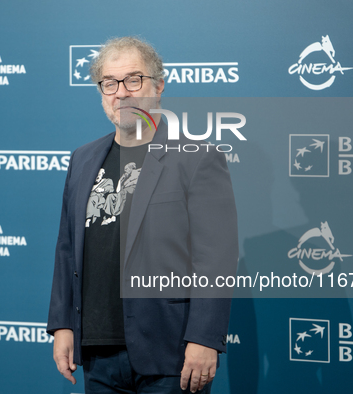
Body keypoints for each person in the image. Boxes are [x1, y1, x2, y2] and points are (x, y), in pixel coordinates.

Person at [47, 36, 238, 394]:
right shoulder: (83, 159)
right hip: (98, 354)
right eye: (110, 83)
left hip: (171, 354)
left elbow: (216, 258)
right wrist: (62, 325)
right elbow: (67, 249)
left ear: (158, 85)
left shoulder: (196, 157)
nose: (122, 93)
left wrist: (204, 338)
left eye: (134, 80)